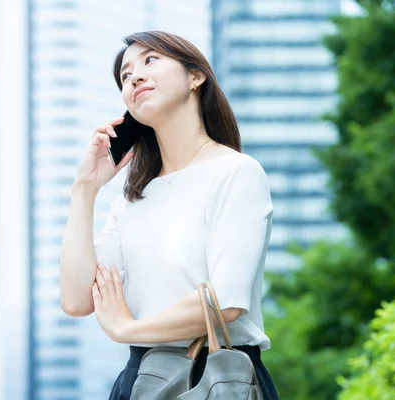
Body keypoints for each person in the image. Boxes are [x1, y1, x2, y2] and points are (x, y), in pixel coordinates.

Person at [59, 30, 279, 399]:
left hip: (220, 379)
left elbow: (226, 302)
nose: (135, 77)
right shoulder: (133, 201)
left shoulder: (237, 173)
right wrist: (85, 190)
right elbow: (77, 298)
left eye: (150, 60)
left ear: (196, 77)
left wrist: (127, 329)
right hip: (144, 378)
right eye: (125, 76)